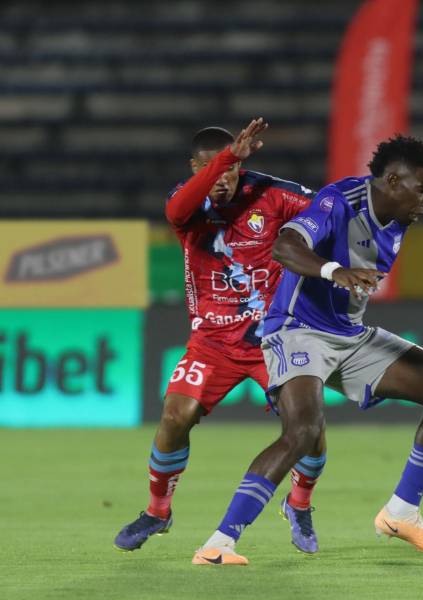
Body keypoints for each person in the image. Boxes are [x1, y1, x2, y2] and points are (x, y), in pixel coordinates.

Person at [192, 134, 423, 566]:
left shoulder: (399, 220)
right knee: (303, 432)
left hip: (349, 335)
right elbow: (285, 247)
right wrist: (334, 270)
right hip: (296, 329)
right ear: (393, 180)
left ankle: (401, 513)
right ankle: (218, 543)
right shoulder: (339, 199)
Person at [115, 118, 327, 555]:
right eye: (212, 168)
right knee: (175, 416)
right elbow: (177, 211)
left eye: (230, 169)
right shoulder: (185, 202)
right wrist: (229, 156)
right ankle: (158, 512)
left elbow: (325, 211)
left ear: (242, 169)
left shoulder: (268, 193)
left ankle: (299, 505)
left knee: (308, 428)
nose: (222, 178)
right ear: (196, 168)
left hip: (276, 338)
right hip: (211, 342)